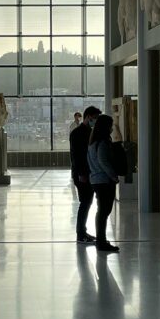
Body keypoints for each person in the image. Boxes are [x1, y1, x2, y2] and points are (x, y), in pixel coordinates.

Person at [87, 114, 120, 252]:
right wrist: (113, 176)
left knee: (102, 211)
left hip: (95, 179)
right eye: (111, 125)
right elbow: (104, 162)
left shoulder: (92, 143)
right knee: (104, 211)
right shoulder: (103, 143)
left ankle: (101, 239)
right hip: (104, 181)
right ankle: (101, 241)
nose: (112, 128)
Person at [69, 106, 101, 244]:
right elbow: (77, 156)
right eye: (95, 118)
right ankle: (80, 234)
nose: (96, 121)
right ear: (88, 117)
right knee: (85, 203)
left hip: (88, 173)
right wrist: (82, 173)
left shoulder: (90, 132)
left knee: (87, 202)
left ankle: (83, 232)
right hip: (82, 174)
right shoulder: (77, 133)